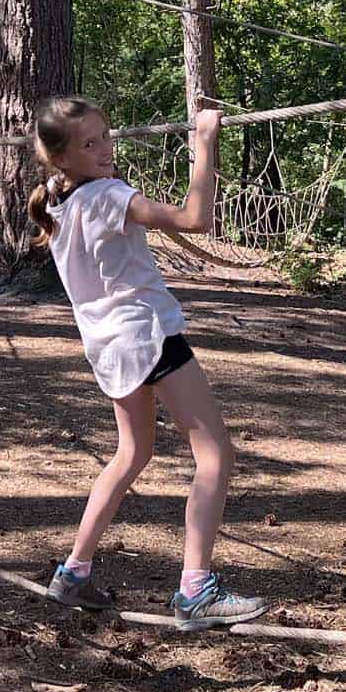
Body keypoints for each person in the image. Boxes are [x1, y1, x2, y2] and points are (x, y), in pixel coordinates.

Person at [29, 98, 267, 629]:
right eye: (89, 144)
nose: (104, 150)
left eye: (105, 137)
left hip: (108, 345)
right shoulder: (108, 194)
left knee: (132, 452)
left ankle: (73, 572)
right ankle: (195, 589)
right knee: (215, 455)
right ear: (61, 157)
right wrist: (204, 142)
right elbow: (194, 219)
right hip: (148, 336)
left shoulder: (57, 201)